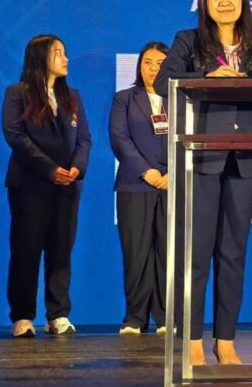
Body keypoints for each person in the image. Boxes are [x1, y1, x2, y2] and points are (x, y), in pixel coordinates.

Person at [155, 0, 252, 365]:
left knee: (233, 252)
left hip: (245, 160)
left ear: (244, 0)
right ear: (204, 3)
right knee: (196, 252)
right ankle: (192, 339)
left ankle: (225, 340)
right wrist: (207, 75)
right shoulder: (189, 42)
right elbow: (165, 82)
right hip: (202, 155)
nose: (225, 1)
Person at [2, 34, 91, 338]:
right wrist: (50, 169)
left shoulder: (73, 97)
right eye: (58, 53)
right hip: (29, 185)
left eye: (65, 53)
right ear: (40, 58)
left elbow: (84, 140)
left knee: (61, 250)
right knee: (26, 250)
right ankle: (23, 316)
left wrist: (76, 168)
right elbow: (16, 137)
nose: (66, 59)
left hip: (67, 186)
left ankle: (58, 314)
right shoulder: (18, 93)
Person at [110, 41, 170, 335]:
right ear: (139, 65)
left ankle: (165, 317)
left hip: (173, 186)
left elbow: (187, 137)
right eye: (148, 62)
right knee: (136, 253)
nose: (154, 68)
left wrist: (171, 174)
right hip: (135, 185)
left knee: (167, 253)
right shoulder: (124, 99)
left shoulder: (181, 99)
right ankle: (135, 318)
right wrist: (147, 171)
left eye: (160, 62)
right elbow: (120, 139)